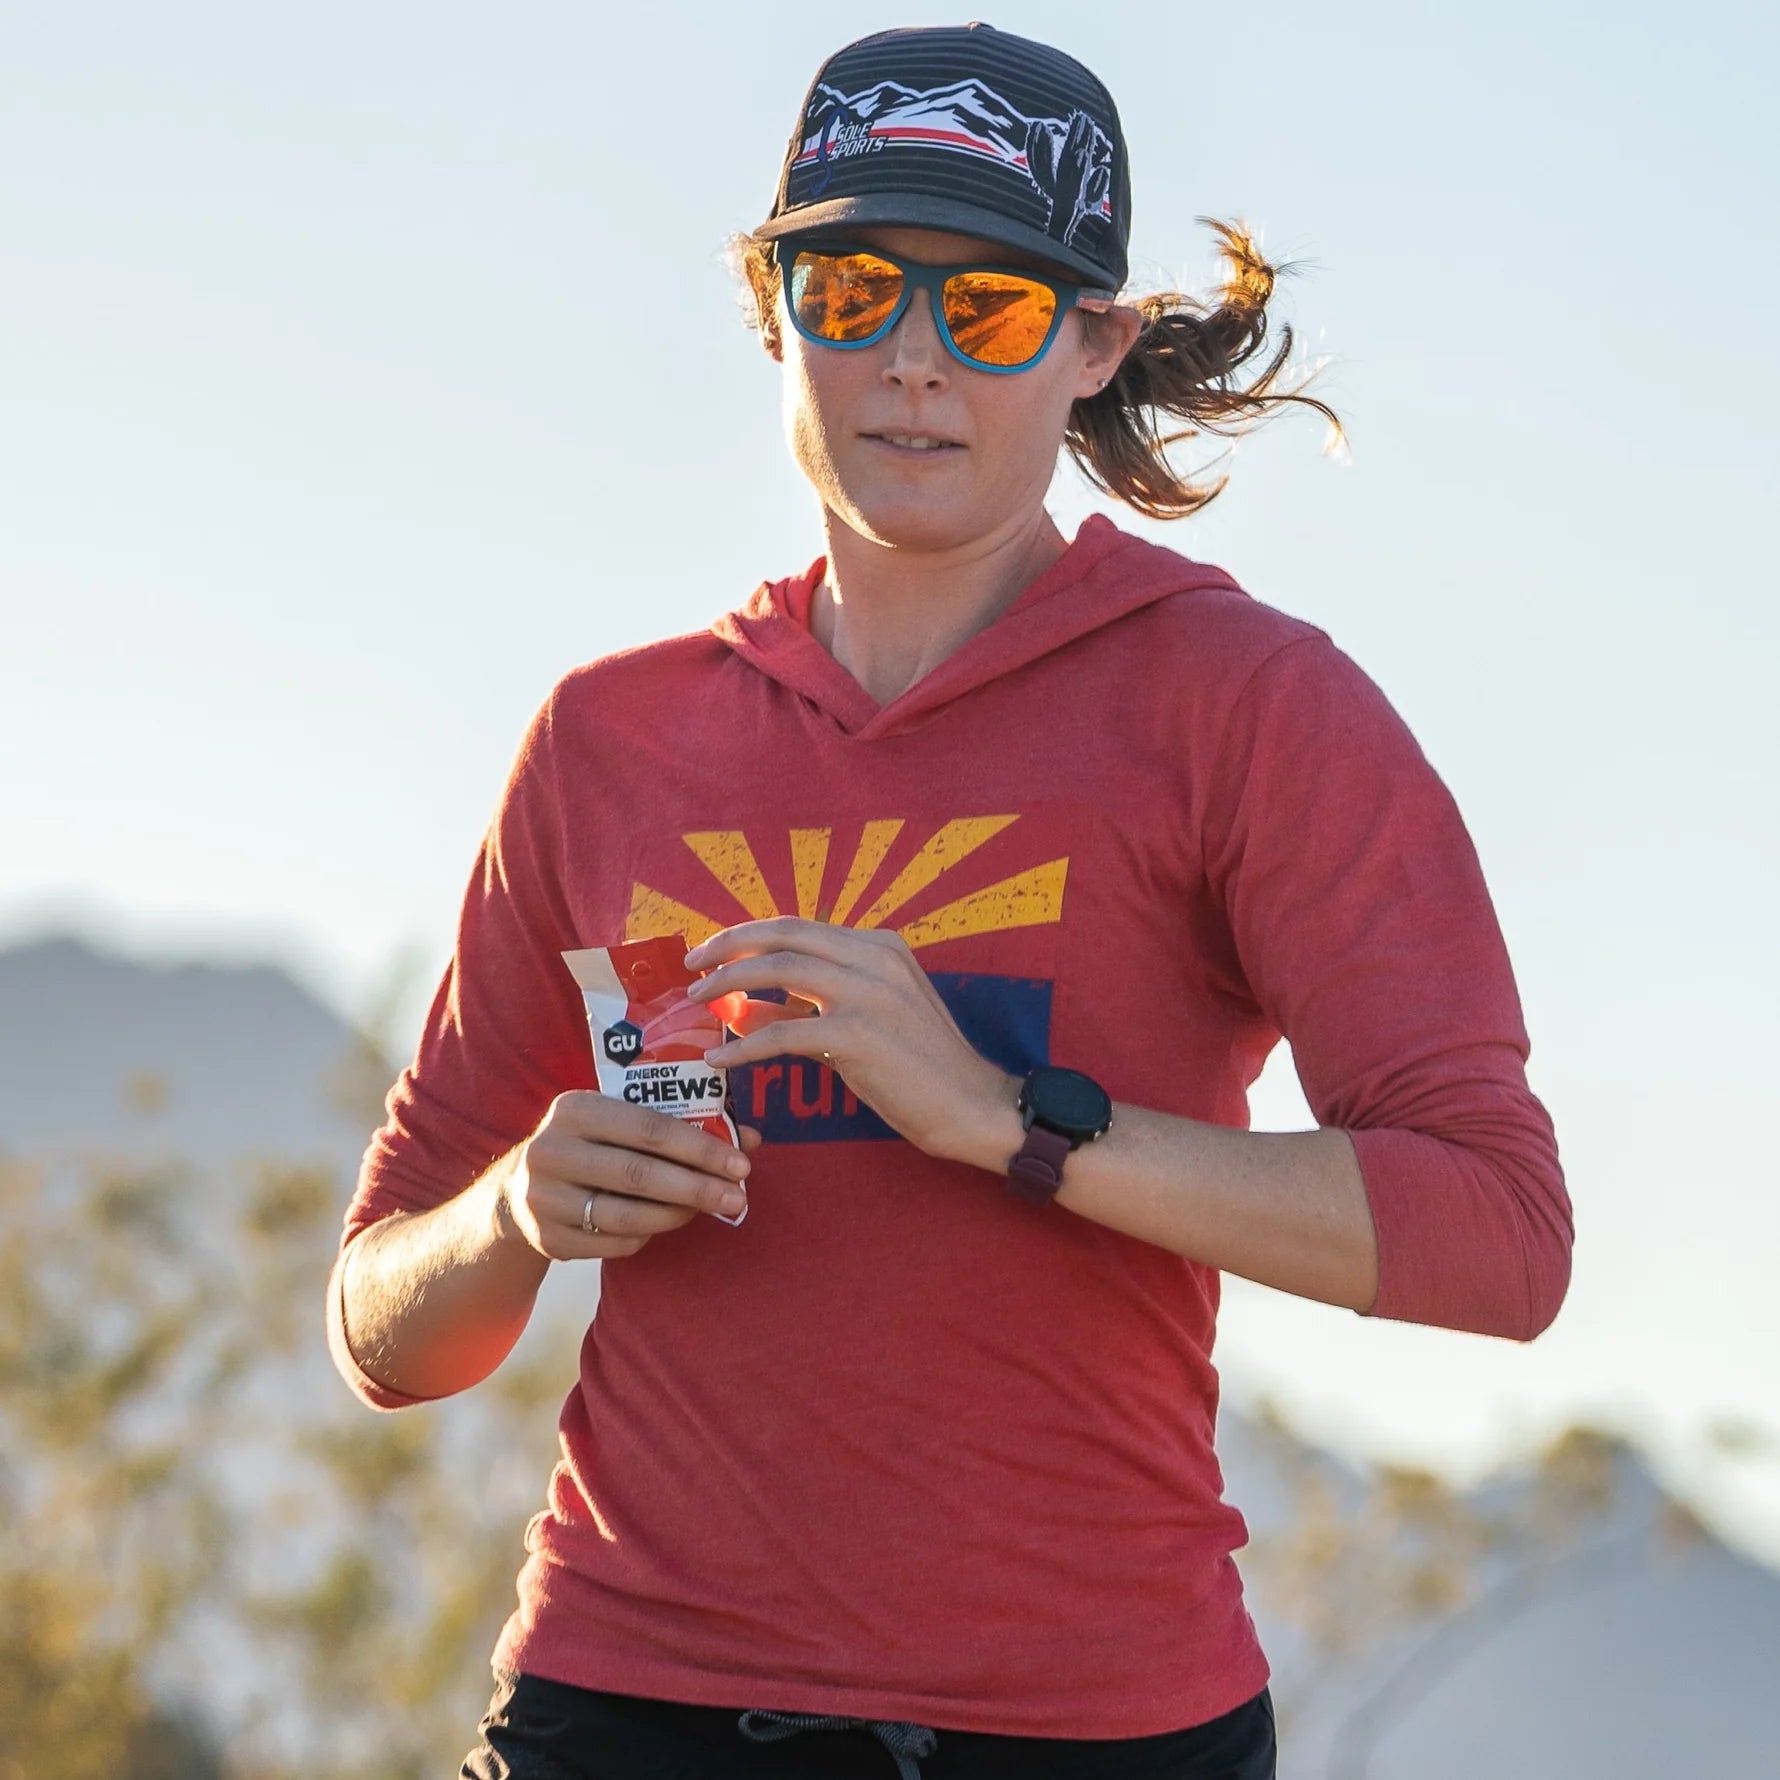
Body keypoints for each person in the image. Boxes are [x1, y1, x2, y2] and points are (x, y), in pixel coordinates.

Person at [326, 23, 1572, 1780]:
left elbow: (1500, 1238)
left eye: (987, 308)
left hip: (1091, 1728)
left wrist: (1007, 1121)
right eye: (852, 292)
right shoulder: (606, 738)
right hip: (625, 1706)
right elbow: (384, 1328)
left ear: (1094, 345)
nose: (911, 359)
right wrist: (518, 1213)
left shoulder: (1248, 707)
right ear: (772, 311)